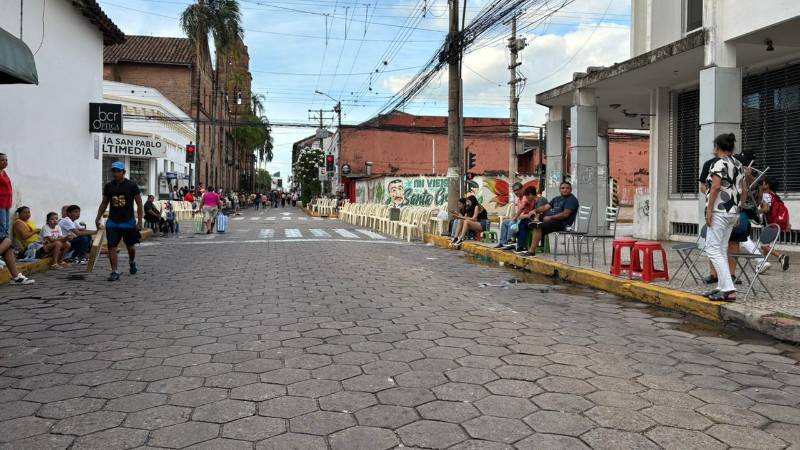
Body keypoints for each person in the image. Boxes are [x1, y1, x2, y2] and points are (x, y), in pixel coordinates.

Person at [703, 133, 745, 302]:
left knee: (712, 249)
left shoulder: (719, 164)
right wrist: (739, 210)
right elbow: (744, 190)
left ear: (717, 147)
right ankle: (721, 287)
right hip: (733, 212)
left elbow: (715, 188)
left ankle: (729, 289)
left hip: (719, 212)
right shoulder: (739, 164)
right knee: (721, 249)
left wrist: (709, 210)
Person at [95, 161, 144, 282]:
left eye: (118, 171)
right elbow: (104, 202)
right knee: (111, 246)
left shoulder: (131, 185)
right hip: (113, 221)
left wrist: (139, 221)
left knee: (130, 247)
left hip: (128, 221)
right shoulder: (109, 186)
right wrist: (98, 217)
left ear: (124, 172)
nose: (115, 173)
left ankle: (132, 261)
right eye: (114, 171)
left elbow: (139, 202)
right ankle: (114, 271)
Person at [0, 153, 34, 284]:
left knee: (6, 243)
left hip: (6, 206)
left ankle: (16, 277)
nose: (5, 162)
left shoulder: (4, 173)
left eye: (6, 160)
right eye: (2, 160)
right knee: (5, 238)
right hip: (0, 206)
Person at [523, 181, 579, 257]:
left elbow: (565, 214)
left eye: (567, 188)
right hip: (552, 220)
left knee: (538, 226)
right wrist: (535, 210)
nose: (565, 190)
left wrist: (550, 217)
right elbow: (545, 207)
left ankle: (531, 251)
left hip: (562, 223)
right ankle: (524, 247)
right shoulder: (557, 198)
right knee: (527, 222)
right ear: (560, 189)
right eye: (562, 188)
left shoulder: (572, 200)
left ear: (571, 189)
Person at [759, 177, 791, 270]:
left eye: (763, 183)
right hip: (775, 223)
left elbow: (766, 209)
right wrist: (787, 223)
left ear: (768, 185)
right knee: (766, 244)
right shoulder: (775, 196)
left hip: (768, 223)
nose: (762, 185)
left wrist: (757, 211)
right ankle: (764, 263)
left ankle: (781, 256)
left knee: (764, 245)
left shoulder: (765, 195)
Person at [510, 187, 544, 253]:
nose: (526, 198)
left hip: (541, 221)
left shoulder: (541, 200)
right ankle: (521, 245)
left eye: (527, 196)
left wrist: (527, 217)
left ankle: (520, 245)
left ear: (531, 194)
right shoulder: (534, 201)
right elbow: (528, 212)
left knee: (522, 222)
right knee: (522, 223)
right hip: (534, 220)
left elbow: (538, 214)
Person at [495, 182, 527, 249]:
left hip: (524, 220)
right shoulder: (519, 200)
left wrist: (515, 218)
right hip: (519, 219)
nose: (516, 192)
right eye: (514, 191)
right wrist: (515, 217)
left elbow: (522, 209)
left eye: (517, 190)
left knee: (511, 223)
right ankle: (503, 242)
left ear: (522, 189)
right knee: (505, 222)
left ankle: (510, 242)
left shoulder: (525, 198)